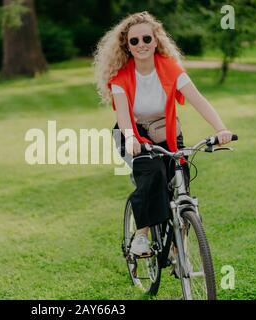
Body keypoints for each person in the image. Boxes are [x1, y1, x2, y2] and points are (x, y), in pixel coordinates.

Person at [93, 11, 234, 256]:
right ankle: (141, 235)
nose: (141, 45)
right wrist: (131, 139)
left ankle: (180, 247)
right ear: (127, 46)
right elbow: (124, 119)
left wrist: (220, 129)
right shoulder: (121, 79)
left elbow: (199, 101)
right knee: (154, 171)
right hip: (133, 135)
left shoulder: (170, 69)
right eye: (134, 41)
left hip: (166, 133)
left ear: (156, 40)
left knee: (181, 177)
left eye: (146, 39)